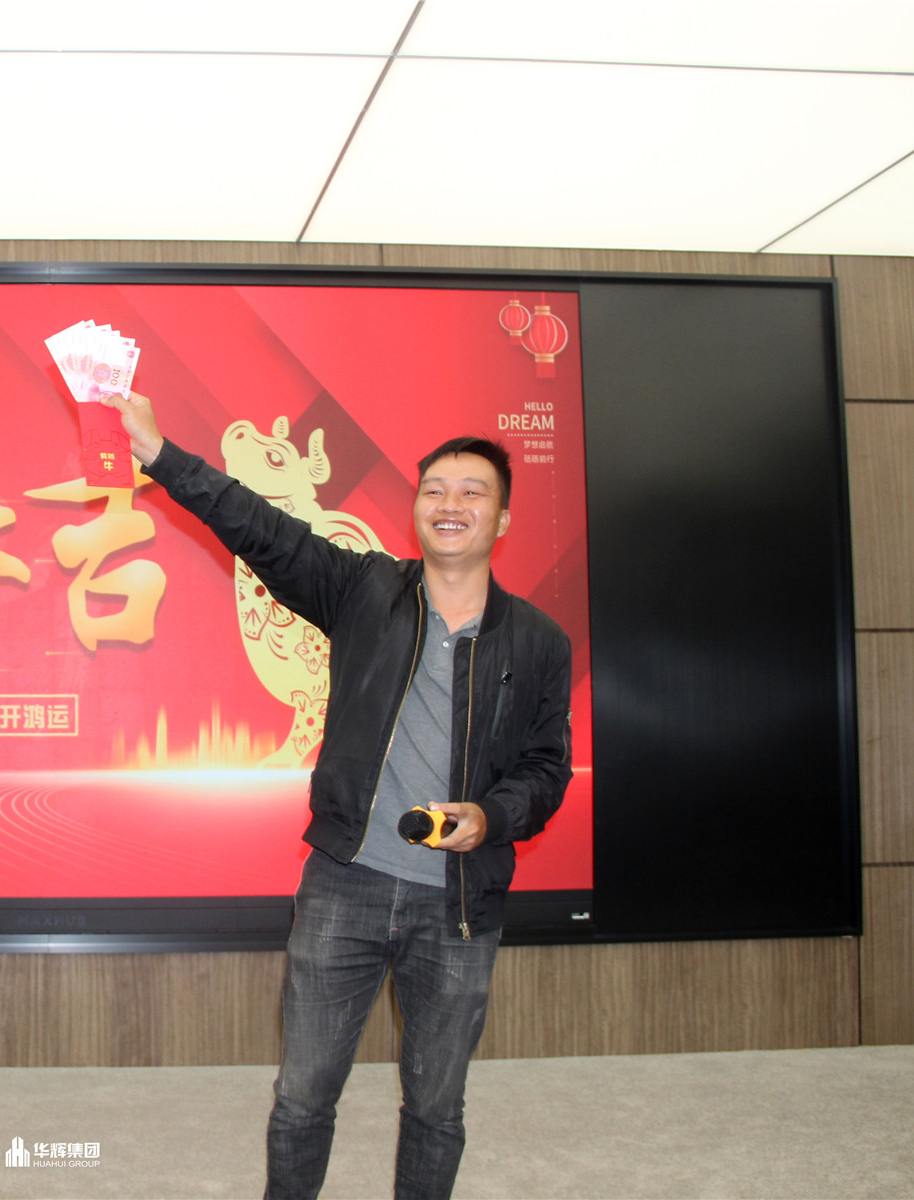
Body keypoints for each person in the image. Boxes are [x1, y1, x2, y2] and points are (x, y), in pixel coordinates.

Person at [99, 390, 573, 1200]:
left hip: (458, 903)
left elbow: (546, 768)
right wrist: (158, 453)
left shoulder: (538, 641)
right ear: (416, 508)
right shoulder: (364, 590)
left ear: (502, 520)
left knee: (436, 1107)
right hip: (344, 886)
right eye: (434, 490)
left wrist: (491, 816)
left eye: (472, 493)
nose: (449, 504)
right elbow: (260, 527)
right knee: (302, 1097)